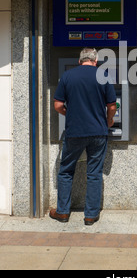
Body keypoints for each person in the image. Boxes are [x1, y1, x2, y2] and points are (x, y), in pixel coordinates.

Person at [50, 48, 117, 226]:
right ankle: (90, 215)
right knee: (94, 173)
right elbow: (112, 106)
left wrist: (70, 113)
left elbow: (57, 105)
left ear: (80, 61)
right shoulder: (102, 75)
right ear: (95, 61)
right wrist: (108, 120)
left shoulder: (67, 76)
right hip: (98, 132)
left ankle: (62, 212)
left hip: (75, 131)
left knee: (65, 171)